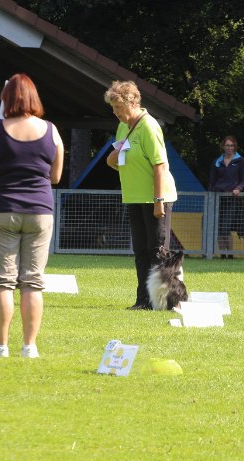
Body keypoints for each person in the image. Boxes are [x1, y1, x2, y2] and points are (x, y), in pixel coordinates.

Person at [0, 73, 64, 358]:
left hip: (2, 208)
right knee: (33, 281)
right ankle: (30, 347)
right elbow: (56, 176)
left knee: (3, 281)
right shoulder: (52, 131)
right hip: (40, 211)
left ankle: (1, 346)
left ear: (7, 99)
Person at [104, 80, 178, 310]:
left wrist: (158, 201)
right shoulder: (123, 127)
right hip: (133, 197)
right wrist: (111, 160)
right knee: (140, 251)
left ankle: (166, 301)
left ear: (133, 103)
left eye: (119, 107)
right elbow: (123, 161)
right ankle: (143, 300)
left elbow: (159, 166)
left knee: (157, 250)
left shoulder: (149, 126)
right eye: (113, 108)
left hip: (156, 197)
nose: (116, 112)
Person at [209, 135, 244, 259]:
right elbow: (212, 181)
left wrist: (238, 189)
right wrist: (210, 195)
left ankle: (230, 254)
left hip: (231, 198)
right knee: (219, 227)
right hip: (217, 198)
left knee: (226, 227)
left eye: (231, 145)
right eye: (227, 145)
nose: (229, 147)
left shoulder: (240, 160)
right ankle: (222, 255)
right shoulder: (217, 162)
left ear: (235, 147)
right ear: (223, 146)